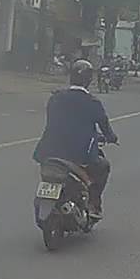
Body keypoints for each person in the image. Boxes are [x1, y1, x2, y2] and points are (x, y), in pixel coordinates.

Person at [32, 59, 118, 219]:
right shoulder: (92, 102)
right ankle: (93, 204)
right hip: (78, 156)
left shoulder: (56, 98)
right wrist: (111, 137)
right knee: (103, 166)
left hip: (47, 151)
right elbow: (105, 127)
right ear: (89, 80)